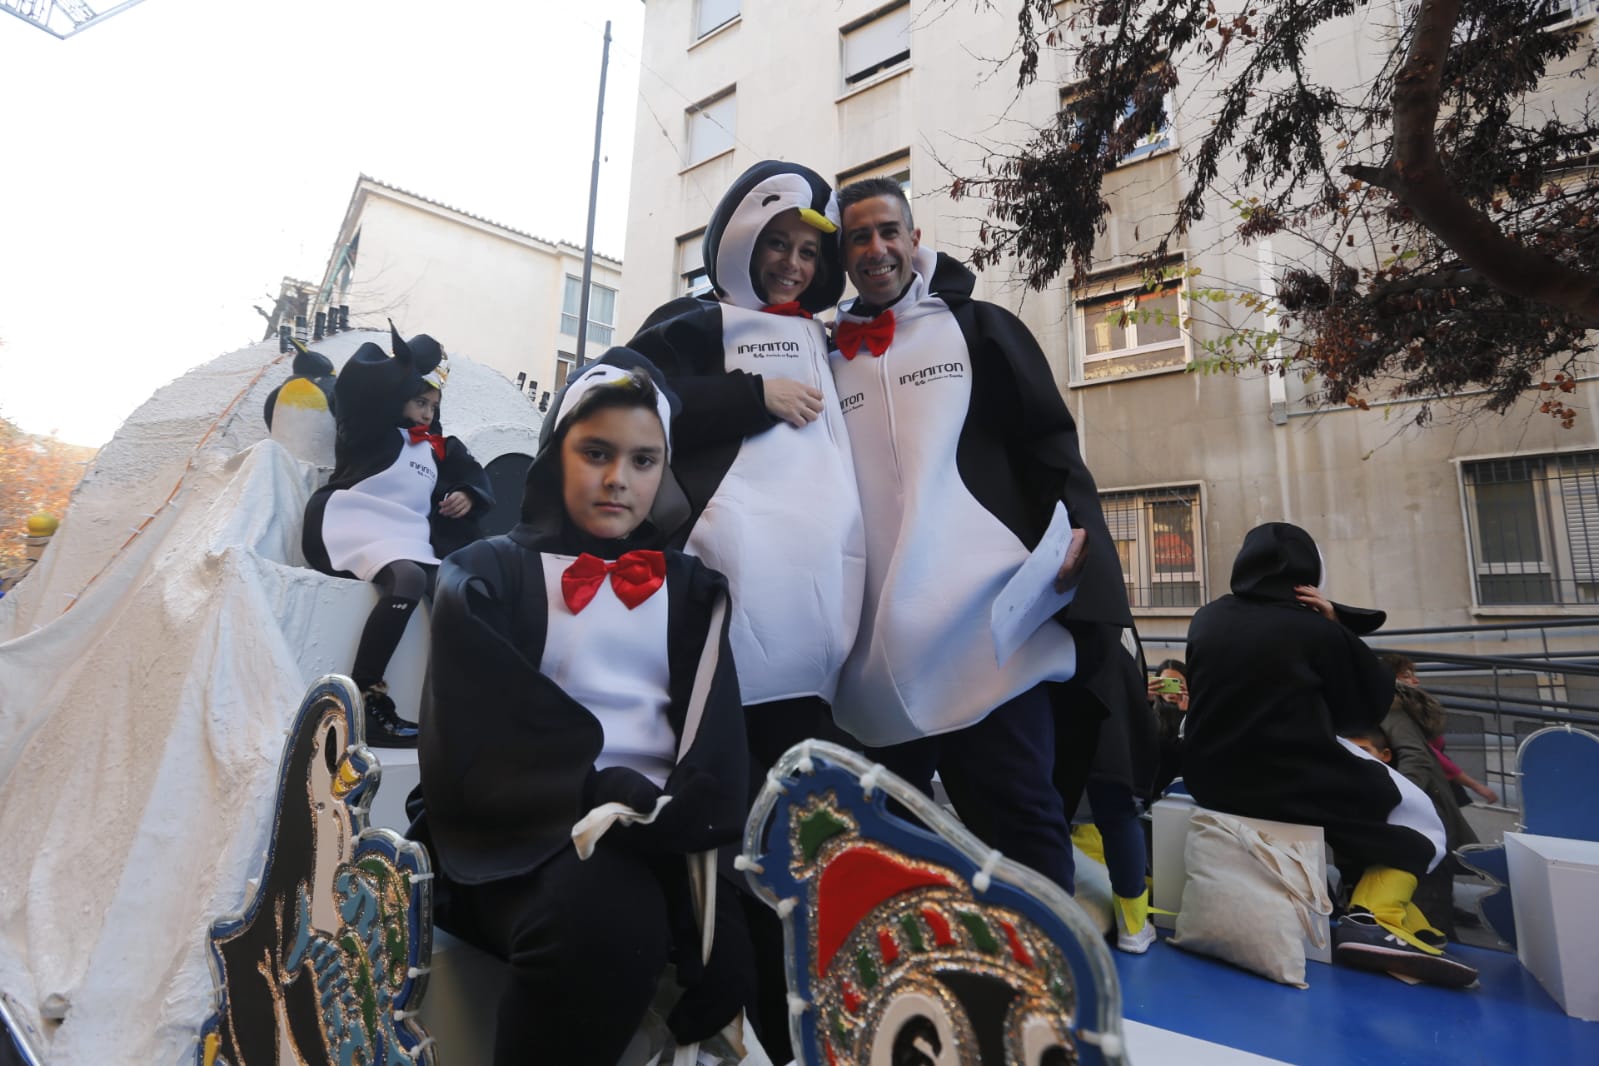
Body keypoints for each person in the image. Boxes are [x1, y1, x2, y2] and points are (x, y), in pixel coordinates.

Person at [413, 350, 751, 1064]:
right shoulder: (486, 573)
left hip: (662, 830)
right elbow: (480, 728)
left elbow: (712, 743)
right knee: (603, 921)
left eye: (641, 460)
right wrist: (600, 789)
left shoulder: (692, 591)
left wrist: (707, 874)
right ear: (554, 452)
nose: (616, 480)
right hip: (518, 831)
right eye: (594, 452)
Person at [827, 177, 1134, 895]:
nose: (875, 249)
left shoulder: (979, 328)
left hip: (987, 633)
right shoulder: (824, 352)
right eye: (857, 237)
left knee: (1023, 827)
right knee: (874, 844)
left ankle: (1043, 996)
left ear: (914, 237)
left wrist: (1080, 543)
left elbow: (1051, 448)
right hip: (869, 652)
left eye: (886, 231)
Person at [627, 159, 863, 1062]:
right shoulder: (693, 323)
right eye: (777, 245)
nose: (793, 265)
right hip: (718, 625)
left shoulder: (830, 338)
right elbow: (620, 398)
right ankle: (721, 1010)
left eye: (809, 251)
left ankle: (796, 1019)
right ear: (739, 241)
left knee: (801, 843)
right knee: (723, 839)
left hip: (816, 644)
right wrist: (749, 396)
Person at [1183, 522, 1478, 987]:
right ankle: (1375, 917)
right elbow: (1361, 713)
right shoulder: (1316, 630)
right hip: (1286, 776)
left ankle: (1380, 908)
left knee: (1363, 798)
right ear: (1308, 574)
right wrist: (1337, 629)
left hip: (1209, 776)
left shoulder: (1207, 617)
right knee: (1419, 815)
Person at [302, 327, 492, 746]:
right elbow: (356, 389)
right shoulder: (371, 433)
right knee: (407, 580)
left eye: (433, 405)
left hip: (408, 535)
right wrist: (410, 360)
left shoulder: (439, 448)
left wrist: (466, 495)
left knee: (460, 593)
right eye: (419, 401)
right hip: (357, 520)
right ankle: (365, 697)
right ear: (398, 397)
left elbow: (471, 477)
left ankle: (460, 706)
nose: (426, 413)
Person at [1148, 657, 1189, 797]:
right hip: (1156, 784)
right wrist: (1144, 702)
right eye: (1166, 683)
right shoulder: (1152, 714)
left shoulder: (1195, 712)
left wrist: (1188, 714)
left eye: (1176, 683)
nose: (1171, 691)